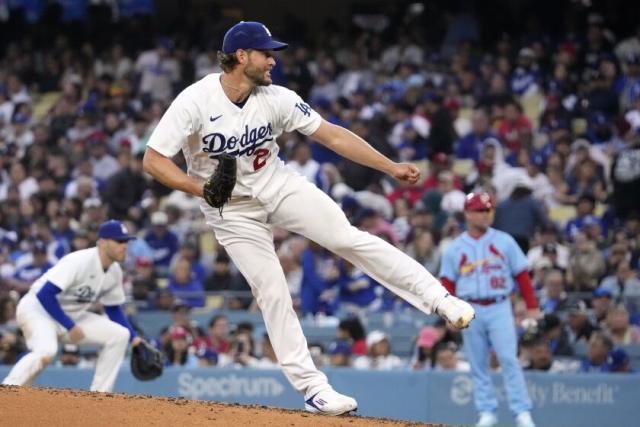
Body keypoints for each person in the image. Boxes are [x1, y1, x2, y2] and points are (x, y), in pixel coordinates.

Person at [142, 20, 474, 416]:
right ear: (241, 56)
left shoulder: (277, 97)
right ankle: (314, 389)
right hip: (229, 208)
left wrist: (389, 166)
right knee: (272, 290)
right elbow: (153, 159)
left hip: (278, 184)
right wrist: (202, 190)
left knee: (346, 238)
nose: (273, 61)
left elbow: (332, 136)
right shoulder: (194, 101)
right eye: (266, 53)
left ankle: (439, 299)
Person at [2, 220, 143, 392]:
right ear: (103, 242)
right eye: (120, 241)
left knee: (121, 335)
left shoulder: (114, 272)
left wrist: (134, 338)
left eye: (126, 241)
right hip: (38, 310)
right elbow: (45, 294)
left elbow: (113, 309)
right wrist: (70, 325)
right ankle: (8, 390)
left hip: (70, 315)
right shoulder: (79, 261)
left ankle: (99, 397)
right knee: (47, 351)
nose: (125, 246)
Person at [439, 192, 539, 427]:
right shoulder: (455, 248)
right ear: (467, 213)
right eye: (480, 210)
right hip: (468, 309)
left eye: (489, 210)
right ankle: (487, 412)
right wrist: (447, 312)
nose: (486, 215)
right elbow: (448, 284)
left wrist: (532, 306)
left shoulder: (504, 241)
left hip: (499, 305)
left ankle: (522, 412)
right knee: (477, 362)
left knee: (508, 359)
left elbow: (522, 276)